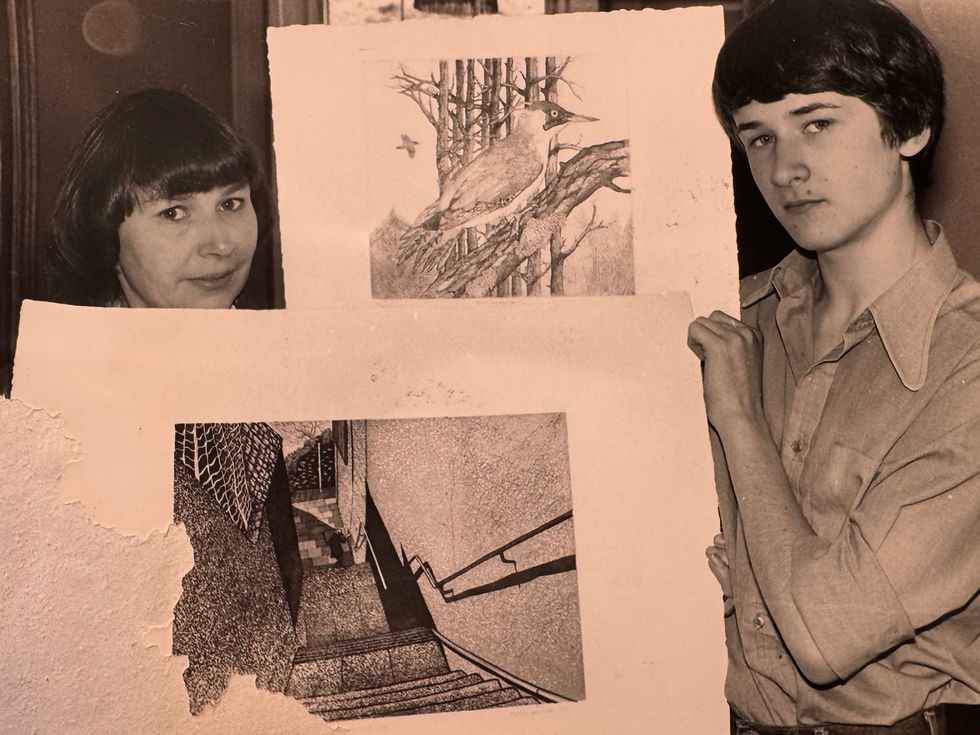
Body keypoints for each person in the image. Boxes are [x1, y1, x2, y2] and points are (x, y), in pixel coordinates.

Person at [687, 0, 980, 732]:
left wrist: (738, 419)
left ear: (909, 128)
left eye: (817, 122)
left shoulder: (967, 364)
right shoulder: (733, 321)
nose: (786, 168)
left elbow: (824, 633)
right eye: (758, 138)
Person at [49, 88, 273, 308]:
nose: (221, 245)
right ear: (105, 237)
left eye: (229, 204)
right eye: (173, 213)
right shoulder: (67, 344)